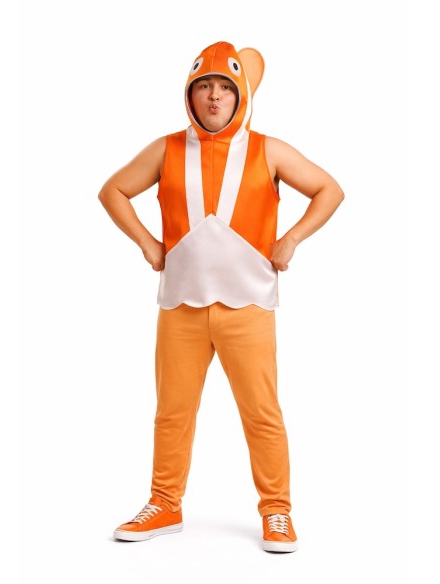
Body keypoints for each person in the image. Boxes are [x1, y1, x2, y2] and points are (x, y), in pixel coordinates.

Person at [98, 41, 344, 553]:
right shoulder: (165, 149)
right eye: (204, 86)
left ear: (241, 95)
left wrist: (292, 238)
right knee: (172, 412)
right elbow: (113, 190)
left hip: (248, 306)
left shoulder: (269, 150)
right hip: (180, 307)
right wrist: (147, 243)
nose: (214, 97)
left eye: (225, 88)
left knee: (262, 413)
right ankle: (164, 503)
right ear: (190, 94)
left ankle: (276, 510)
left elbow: (329, 189)